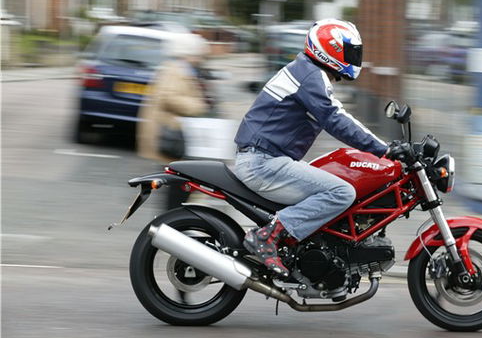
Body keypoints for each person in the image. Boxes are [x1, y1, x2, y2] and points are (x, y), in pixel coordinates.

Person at [233, 19, 389, 277]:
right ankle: (267, 237)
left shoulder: (307, 71)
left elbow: (336, 117)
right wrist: (385, 150)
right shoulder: (309, 75)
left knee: (334, 178)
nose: (355, 58)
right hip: (263, 162)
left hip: (265, 158)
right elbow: (336, 119)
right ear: (330, 50)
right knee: (341, 192)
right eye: (350, 52)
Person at [137, 32, 208, 209]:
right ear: (187, 53)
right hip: (170, 135)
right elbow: (167, 97)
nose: (199, 58)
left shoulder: (179, 69)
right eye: (197, 54)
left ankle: (170, 222)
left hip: (173, 135)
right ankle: (168, 225)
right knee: (178, 186)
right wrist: (197, 106)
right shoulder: (176, 70)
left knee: (178, 185)